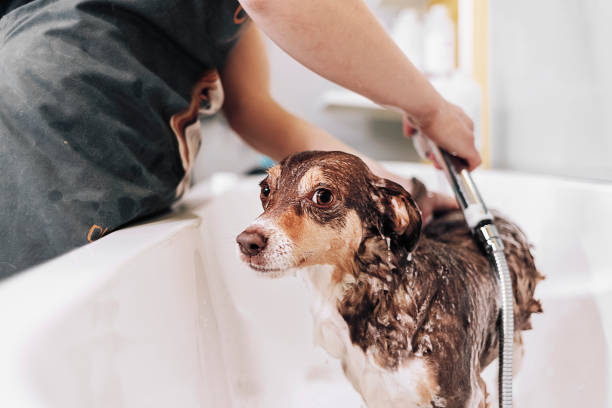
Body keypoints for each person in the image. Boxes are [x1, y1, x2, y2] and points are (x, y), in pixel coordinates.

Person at [0, 0, 480, 277]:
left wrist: (383, 188)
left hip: (77, 126)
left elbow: (255, 112)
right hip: (54, 127)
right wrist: (430, 106)